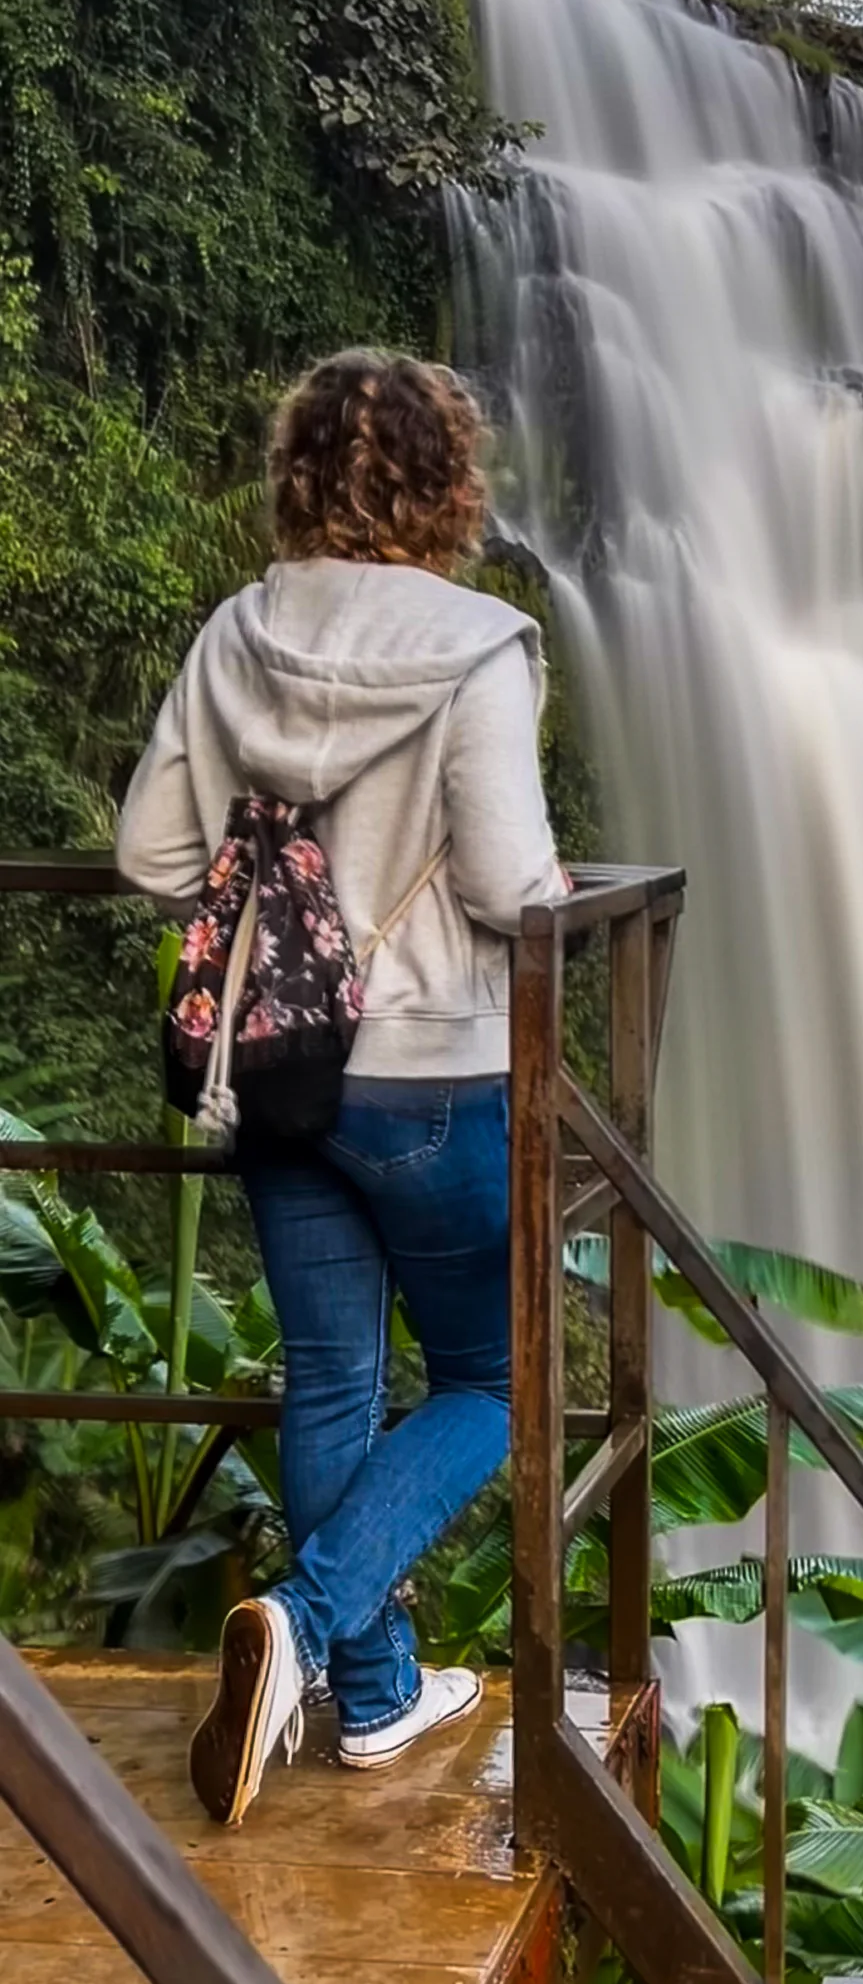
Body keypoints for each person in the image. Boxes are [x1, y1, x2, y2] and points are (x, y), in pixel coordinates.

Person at [117, 349, 567, 1826]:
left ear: (295, 475)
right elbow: (509, 879)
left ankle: (376, 1700)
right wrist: (557, 890)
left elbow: (145, 859)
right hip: (431, 1071)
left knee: (331, 1377)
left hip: (276, 1070)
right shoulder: (480, 646)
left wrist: (266, 878)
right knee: (499, 1383)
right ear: (449, 485)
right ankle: (316, 1634)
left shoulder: (235, 635)